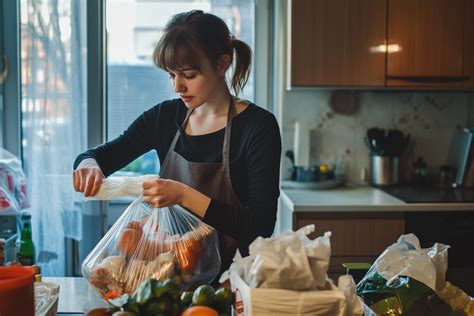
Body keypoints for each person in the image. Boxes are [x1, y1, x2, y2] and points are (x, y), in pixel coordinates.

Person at [73, 10, 281, 277]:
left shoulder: (257, 127)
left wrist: (184, 195)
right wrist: (88, 164)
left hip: (233, 283)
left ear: (222, 64)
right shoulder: (165, 117)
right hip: (168, 278)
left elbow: (260, 226)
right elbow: (100, 155)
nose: (177, 87)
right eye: (171, 75)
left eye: (189, 75)